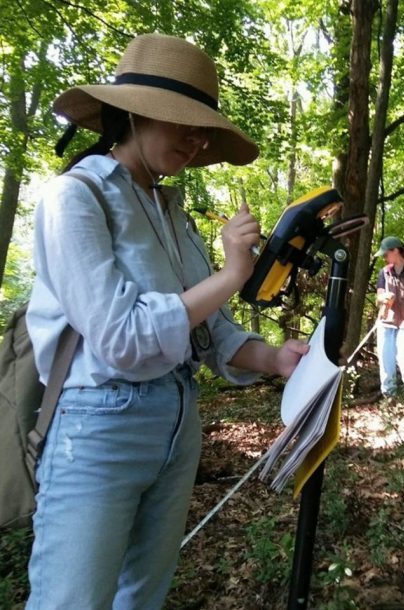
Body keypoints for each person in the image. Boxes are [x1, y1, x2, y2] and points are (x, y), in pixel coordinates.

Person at [25, 33, 308, 610]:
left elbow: (212, 334)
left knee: (144, 599)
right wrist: (231, 274)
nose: (197, 139)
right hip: (97, 427)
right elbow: (122, 338)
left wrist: (277, 360)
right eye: (184, 122)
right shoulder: (73, 198)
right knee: (72, 600)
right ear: (134, 114)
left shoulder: (172, 212)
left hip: (178, 425)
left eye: (202, 129)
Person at [374, 236, 404, 404]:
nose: (384, 257)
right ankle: (389, 395)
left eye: (386, 253)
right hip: (386, 322)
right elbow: (378, 297)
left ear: (395, 251)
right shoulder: (384, 272)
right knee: (385, 356)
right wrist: (384, 298)